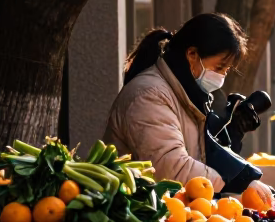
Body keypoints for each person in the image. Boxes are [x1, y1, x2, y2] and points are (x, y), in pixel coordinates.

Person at [105, 13, 265, 193]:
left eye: (226, 71)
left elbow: (199, 156)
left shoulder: (186, 94)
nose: (221, 77)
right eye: (219, 68)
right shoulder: (148, 95)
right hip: (140, 213)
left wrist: (233, 134)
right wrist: (237, 184)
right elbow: (172, 168)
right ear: (192, 54)